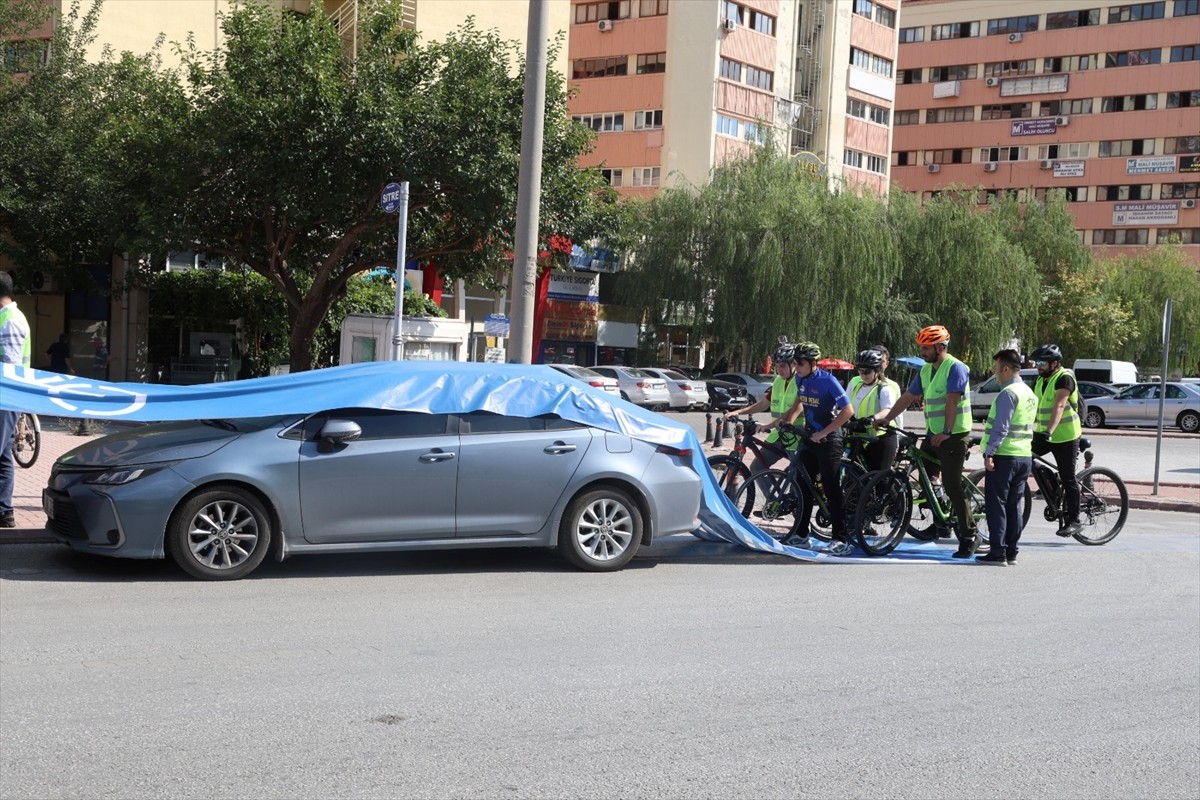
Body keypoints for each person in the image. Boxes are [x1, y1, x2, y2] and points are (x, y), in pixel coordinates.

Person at [875, 325, 978, 558]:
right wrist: (887, 418)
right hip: (934, 434)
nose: (922, 351)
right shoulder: (926, 371)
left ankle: (969, 535)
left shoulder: (956, 368)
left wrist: (948, 431)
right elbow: (908, 397)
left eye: (925, 347)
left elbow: (952, 401)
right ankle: (940, 519)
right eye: (921, 347)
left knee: (952, 486)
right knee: (925, 476)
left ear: (940, 347)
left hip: (953, 436)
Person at [779, 341, 854, 554]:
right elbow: (800, 401)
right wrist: (790, 420)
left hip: (829, 440)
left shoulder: (828, 381)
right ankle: (802, 535)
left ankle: (841, 539)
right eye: (795, 362)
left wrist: (824, 432)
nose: (797, 366)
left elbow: (848, 411)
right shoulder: (799, 377)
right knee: (803, 486)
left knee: (832, 488)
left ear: (813, 363)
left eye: (800, 363)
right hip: (810, 437)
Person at [977, 349, 1038, 566]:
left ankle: (997, 552)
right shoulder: (1030, 393)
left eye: (996, 369)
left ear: (1005, 368)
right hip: (1023, 456)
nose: (995, 373)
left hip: (1005, 456)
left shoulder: (1008, 394)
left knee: (997, 505)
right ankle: (1012, 551)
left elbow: (1001, 428)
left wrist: (990, 453)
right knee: (1014, 506)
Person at [1029, 343, 1083, 537]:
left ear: (1055, 363)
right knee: (1024, 455)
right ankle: (1051, 487)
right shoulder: (1041, 380)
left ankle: (1074, 520)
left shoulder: (1064, 378)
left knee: (1069, 477)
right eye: (1036, 362)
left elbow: (1059, 406)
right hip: (1045, 433)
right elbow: (1033, 408)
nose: (1038, 366)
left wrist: (1049, 430)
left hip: (1066, 435)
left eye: (1041, 362)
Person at [724, 339, 801, 474]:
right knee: (757, 467)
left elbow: (794, 410)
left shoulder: (801, 381)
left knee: (796, 474)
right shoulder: (778, 381)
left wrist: (768, 426)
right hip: (779, 435)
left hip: (796, 437)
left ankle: (796, 495)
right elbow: (763, 403)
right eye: (777, 366)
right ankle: (773, 496)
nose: (779, 370)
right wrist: (738, 412)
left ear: (794, 364)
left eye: (782, 366)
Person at [0, 271, 33, 529]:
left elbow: (9, 366)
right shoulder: (9, 316)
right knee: (3, 456)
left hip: (5, 396)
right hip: (7, 398)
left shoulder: (10, 320)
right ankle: (5, 511)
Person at [846, 349, 899, 471]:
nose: (863, 375)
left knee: (878, 479)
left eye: (867, 372)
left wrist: (873, 418)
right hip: (860, 435)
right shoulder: (856, 386)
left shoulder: (884, 388)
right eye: (860, 371)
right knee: (855, 478)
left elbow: (888, 410)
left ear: (877, 371)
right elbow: (847, 407)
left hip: (881, 437)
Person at [871, 344, 905, 429]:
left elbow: (898, 414)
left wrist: (900, 433)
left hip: (884, 434)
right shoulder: (855, 382)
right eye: (874, 360)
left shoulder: (893, 386)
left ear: (887, 363)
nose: (877, 364)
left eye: (881, 361)